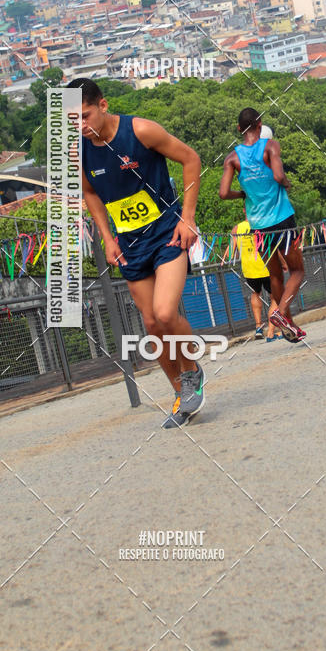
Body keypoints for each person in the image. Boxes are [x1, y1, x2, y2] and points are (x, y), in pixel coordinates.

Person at [67, 78, 204, 429]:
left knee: (164, 312)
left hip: (166, 234)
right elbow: (92, 195)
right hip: (129, 244)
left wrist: (187, 218)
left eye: (84, 116)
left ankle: (192, 372)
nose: (80, 126)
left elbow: (191, 159)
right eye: (72, 120)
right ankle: (179, 395)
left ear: (103, 106)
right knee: (150, 324)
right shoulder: (78, 151)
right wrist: (107, 238)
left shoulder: (141, 130)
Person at [219, 108, 306, 342]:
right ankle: (279, 313)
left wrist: (243, 194)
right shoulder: (270, 146)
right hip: (282, 219)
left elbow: (223, 192)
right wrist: (286, 184)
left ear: (239, 129)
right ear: (260, 123)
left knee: (275, 277)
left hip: (257, 226)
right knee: (297, 270)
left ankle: (289, 325)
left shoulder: (232, 158)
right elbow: (278, 176)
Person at [228, 218, 282, 342]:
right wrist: (282, 263)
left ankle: (258, 327)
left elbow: (232, 253)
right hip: (266, 266)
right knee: (275, 297)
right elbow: (272, 246)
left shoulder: (237, 228)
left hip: (249, 268)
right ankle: (270, 333)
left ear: (243, 211)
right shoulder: (263, 223)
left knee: (255, 293)